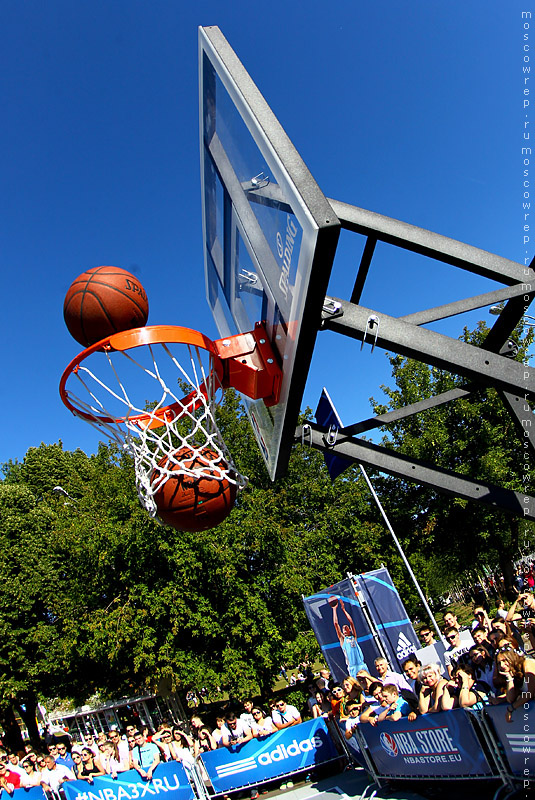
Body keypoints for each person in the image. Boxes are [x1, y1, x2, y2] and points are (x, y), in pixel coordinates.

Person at [496, 650, 535, 723]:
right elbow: (510, 699)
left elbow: (530, 692)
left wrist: (511, 709)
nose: (501, 665)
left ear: (511, 658)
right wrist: (509, 678)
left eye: (504, 660)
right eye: (499, 663)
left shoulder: (527, 663)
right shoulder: (514, 675)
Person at [331, 598, 367, 676]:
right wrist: (334, 609)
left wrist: (344, 610)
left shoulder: (354, 637)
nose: (344, 628)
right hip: (352, 667)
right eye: (343, 628)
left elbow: (351, 622)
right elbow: (336, 624)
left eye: (346, 627)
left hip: (361, 665)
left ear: (349, 630)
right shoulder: (343, 640)